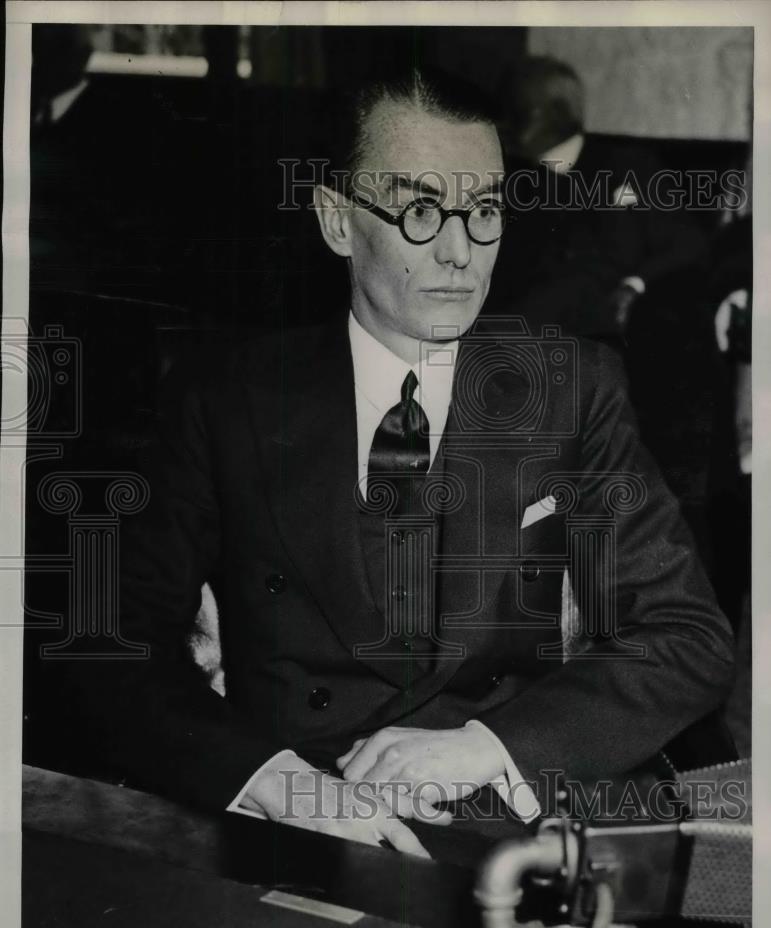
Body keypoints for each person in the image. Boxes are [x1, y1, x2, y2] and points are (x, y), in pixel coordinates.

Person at [67, 67, 734, 857]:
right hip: (298, 818)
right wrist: (275, 781)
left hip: (502, 816)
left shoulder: (567, 387)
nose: (459, 253)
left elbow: (686, 635)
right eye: (421, 210)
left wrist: (487, 746)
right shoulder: (227, 397)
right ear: (337, 220)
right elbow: (109, 641)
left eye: (482, 211)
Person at [487, 55, 704, 343]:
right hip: (520, 325)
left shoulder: (629, 165)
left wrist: (634, 286)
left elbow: (687, 242)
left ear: (558, 113)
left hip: (595, 324)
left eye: (519, 112)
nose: (504, 124)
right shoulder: (506, 177)